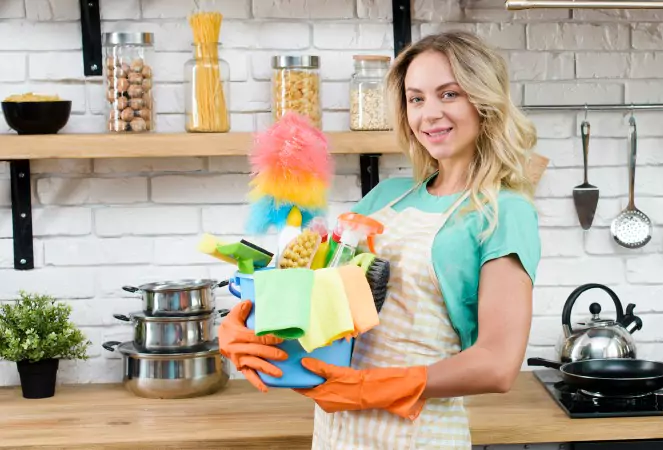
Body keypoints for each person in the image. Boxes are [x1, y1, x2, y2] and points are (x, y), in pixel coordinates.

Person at [219, 30, 541, 449]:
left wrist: (367, 388)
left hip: (420, 434)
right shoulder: (386, 197)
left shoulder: (503, 212)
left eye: (449, 94)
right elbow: (319, 304)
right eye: (416, 98)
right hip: (338, 432)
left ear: (484, 102)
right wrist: (243, 326)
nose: (429, 114)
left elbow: (497, 366)